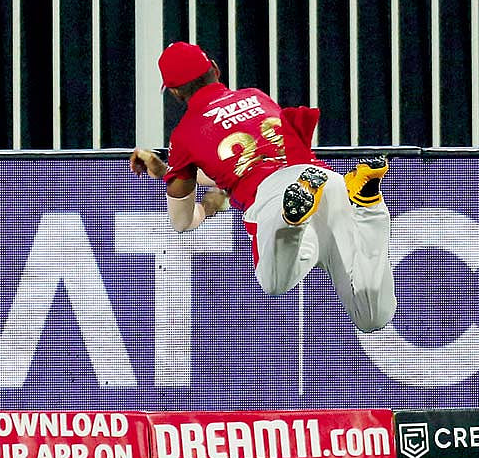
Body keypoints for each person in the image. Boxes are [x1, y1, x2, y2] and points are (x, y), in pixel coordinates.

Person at [130, 41, 396, 333]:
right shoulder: (256, 96)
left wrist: (203, 203)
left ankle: (290, 221)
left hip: (274, 197)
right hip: (325, 181)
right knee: (372, 317)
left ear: (174, 92)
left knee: (274, 281)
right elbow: (235, 169)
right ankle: (368, 206)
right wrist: (165, 171)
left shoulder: (184, 134)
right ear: (215, 69)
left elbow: (182, 222)